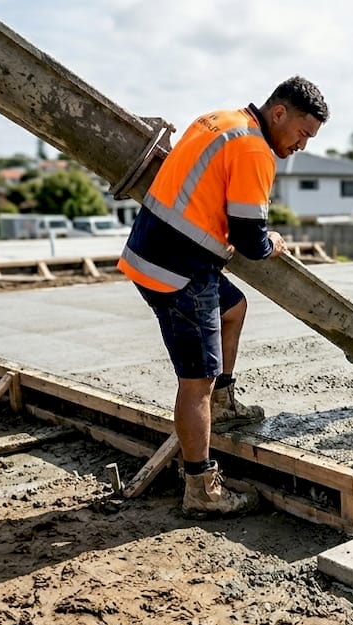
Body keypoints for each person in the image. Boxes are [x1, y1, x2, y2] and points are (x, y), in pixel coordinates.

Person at [118, 76, 329, 516]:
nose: (302, 145)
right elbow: (250, 239)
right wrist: (273, 242)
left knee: (234, 307)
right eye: (303, 133)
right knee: (196, 381)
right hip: (180, 270)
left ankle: (223, 402)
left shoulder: (217, 120)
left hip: (155, 249)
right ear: (278, 114)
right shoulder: (254, 149)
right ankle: (201, 488)